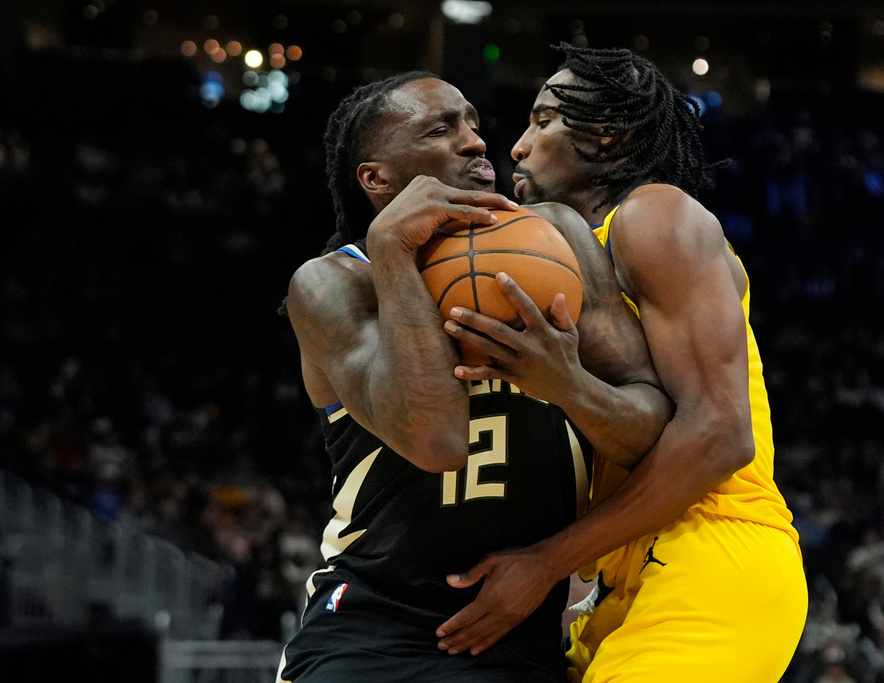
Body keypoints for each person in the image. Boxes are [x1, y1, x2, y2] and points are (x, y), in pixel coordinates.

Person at [276, 70, 671, 682]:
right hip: (372, 625)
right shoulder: (334, 284)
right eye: (441, 129)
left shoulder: (560, 235)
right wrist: (393, 254)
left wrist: (568, 384)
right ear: (377, 179)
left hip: (520, 628)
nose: (475, 142)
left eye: (472, 124)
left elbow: (649, 431)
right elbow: (437, 440)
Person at [435, 43, 808, 682]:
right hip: (619, 574)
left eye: (543, 120)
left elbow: (722, 435)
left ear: (609, 137)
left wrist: (547, 562)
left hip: (712, 548)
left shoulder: (652, 214)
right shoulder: (561, 257)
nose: (518, 147)